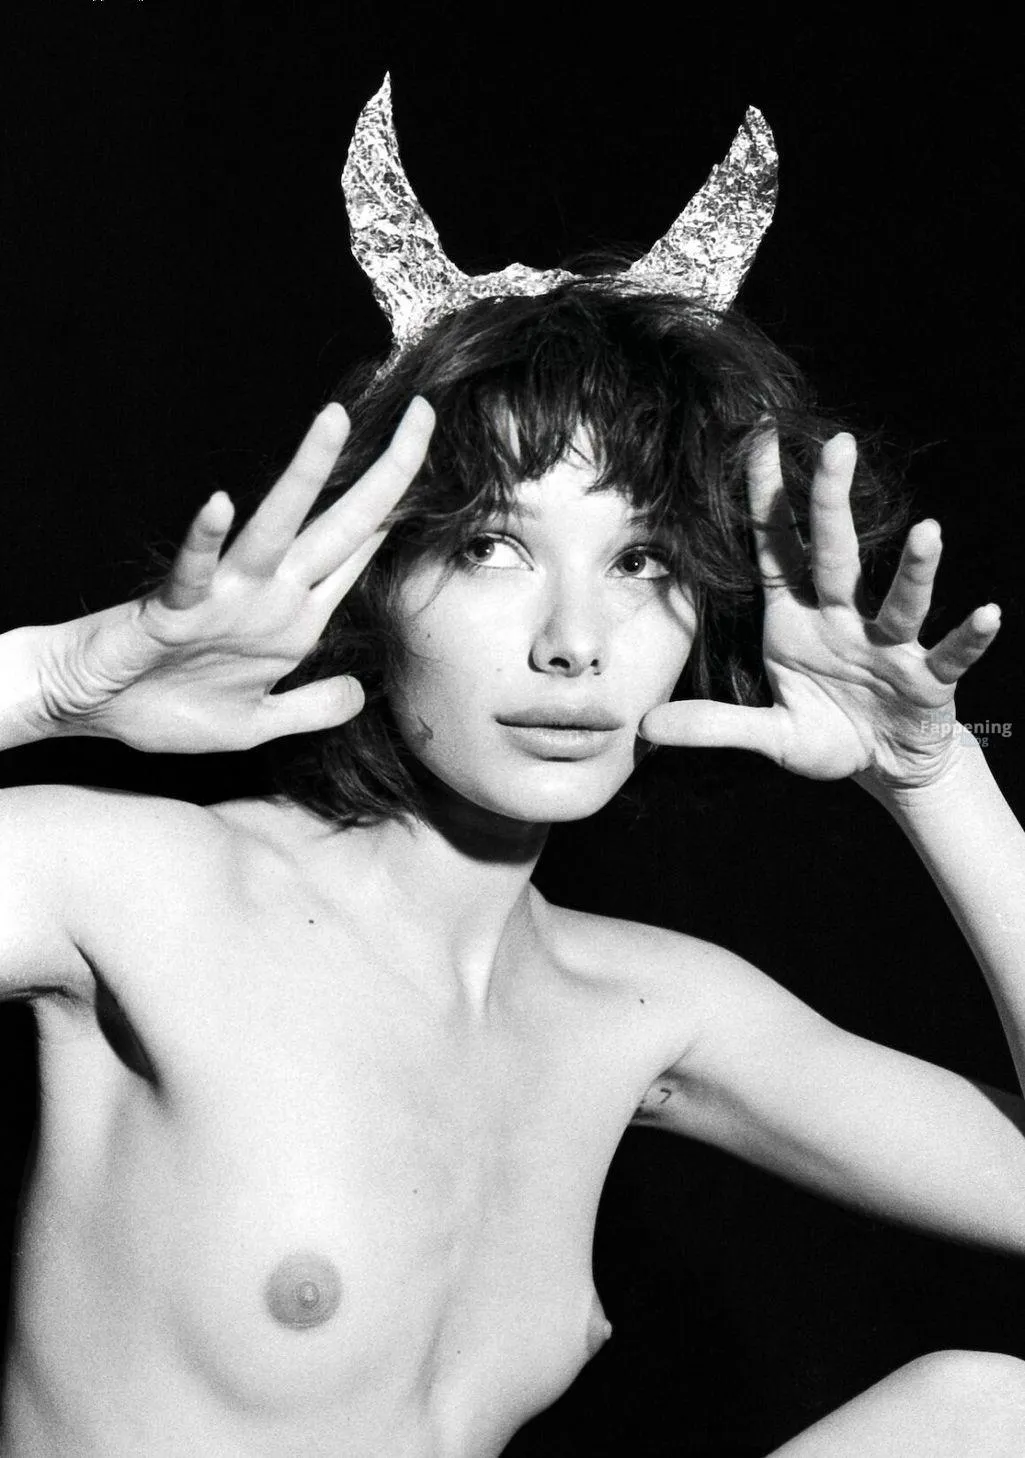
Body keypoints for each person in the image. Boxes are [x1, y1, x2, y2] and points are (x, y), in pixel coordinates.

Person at [3, 83, 1025, 1458]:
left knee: (992, 1409)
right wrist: (52, 683)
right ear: (372, 573)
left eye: (641, 558)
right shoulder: (143, 891)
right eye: (492, 546)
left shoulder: (646, 1010)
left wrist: (931, 777)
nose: (574, 641)